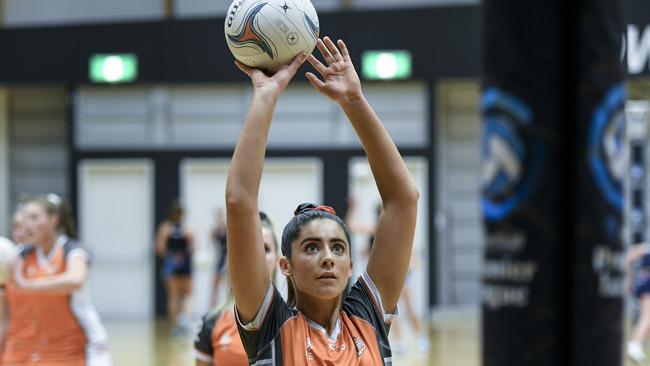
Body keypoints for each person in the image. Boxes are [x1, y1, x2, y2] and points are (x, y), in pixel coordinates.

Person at [226, 37, 419, 364]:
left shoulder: (367, 317)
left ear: (350, 267)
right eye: (312, 247)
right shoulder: (273, 325)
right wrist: (265, 97)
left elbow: (404, 200)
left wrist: (354, 100)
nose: (328, 257)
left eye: (338, 248)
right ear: (284, 266)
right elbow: (239, 202)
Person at [2, 194, 111, 366]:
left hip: (86, 343)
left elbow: (75, 280)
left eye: (34, 217)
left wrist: (26, 284)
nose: (27, 224)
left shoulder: (73, 250)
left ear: (54, 220)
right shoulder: (22, 254)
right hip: (40, 347)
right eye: (25, 218)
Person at [195, 212, 279, 366]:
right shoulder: (211, 322)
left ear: (278, 260)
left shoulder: (295, 321)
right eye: (249, 247)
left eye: (265, 248)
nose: (256, 255)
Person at [346, 197, 428, 354]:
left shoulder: (395, 230)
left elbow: (407, 253)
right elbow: (352, 227)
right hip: (386, 276)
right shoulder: (375, 228)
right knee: (390, 311)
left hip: (401, 275)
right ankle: (399, 343)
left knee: (409, 308)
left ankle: (420, 337)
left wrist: (412, 263)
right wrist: (353, 208)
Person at [156, 200, 195, 337]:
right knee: (186, 296)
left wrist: (171, 254)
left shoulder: (165, 228)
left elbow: (159, 249)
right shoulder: (187, 229)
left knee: (173, 297)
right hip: (183, 264)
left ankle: (175, 327)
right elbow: (192, 249)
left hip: (171, 265)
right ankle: (183, 322)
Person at [626, 242, 650, 363]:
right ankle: (635, 344)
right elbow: (630, 256)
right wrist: (630, 278)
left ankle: (638, 345)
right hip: (646, 283)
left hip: (644, 282)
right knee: (647, 316)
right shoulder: (646, 247)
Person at [210, 207, 228, 307]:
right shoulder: (215, 232)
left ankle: (226, 305)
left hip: (227, 259)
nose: (219, 219)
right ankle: (212, 308)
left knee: (228, 285)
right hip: (220, 259)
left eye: (220, 217)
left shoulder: (227, 229)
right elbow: (213, 246)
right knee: (215, 286)